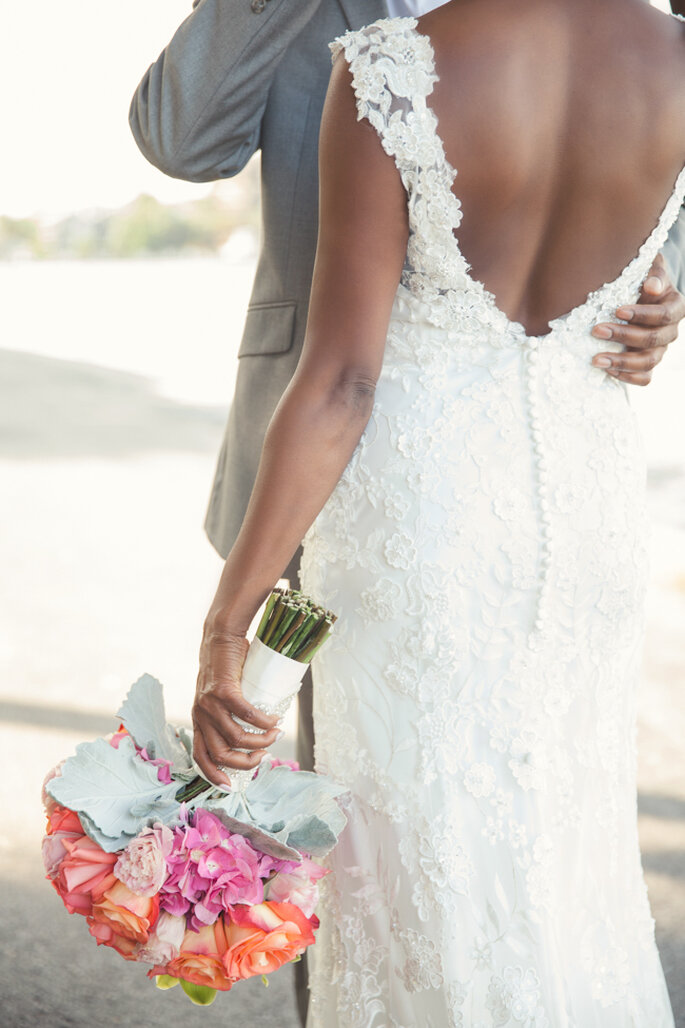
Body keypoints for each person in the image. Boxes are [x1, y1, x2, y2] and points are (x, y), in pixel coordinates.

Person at [129, 1, 685, 1023]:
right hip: (589, 520)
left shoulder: (390, 69)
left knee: (417, 889)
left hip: (419, 528)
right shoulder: (669, 49)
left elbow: (341, 382)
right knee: (566, 879)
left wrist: (224, 627)